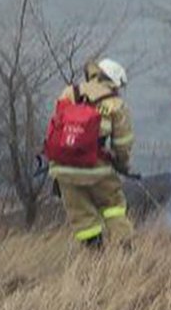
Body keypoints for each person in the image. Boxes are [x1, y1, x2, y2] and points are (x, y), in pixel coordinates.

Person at [49, 58, 135, 248]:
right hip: (97, 169)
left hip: (63, 168)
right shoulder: (116, 104)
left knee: (82, 218)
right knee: (113, 208)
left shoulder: (69, 92)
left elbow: (56, 128)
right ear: (114, 82)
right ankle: (127, 254)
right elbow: (122, 142)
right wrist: (122, 164)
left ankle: (95, 259)